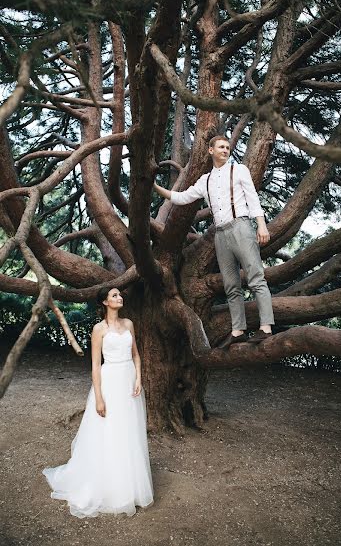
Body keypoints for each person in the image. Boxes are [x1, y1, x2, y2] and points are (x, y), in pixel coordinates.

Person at [154, 135, 275, 349]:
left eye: (227, 147)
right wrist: (153, 186)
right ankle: (238, 331)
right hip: (220, 234)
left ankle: (266, 328)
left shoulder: (239, 170)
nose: (225, 150)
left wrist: (262, 225)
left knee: (256, 277)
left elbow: (253, 198)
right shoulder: (205, 180)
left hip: (241, 227)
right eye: (221, 147)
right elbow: (182, 198)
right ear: (210, 150)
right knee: (230, 284)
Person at [42, 287, 154, 518]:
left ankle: (130, 485)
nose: (119, 297)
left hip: (129, 381)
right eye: (114, 295)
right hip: (110, 382)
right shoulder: (98, 329)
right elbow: (95, 365)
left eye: (120, 294)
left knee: (128, 432)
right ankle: (109, 486)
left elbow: (136, 355)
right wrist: (99, 397)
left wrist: (139, 379)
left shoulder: (129, 324)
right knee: (109, 431)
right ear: (104, 301)